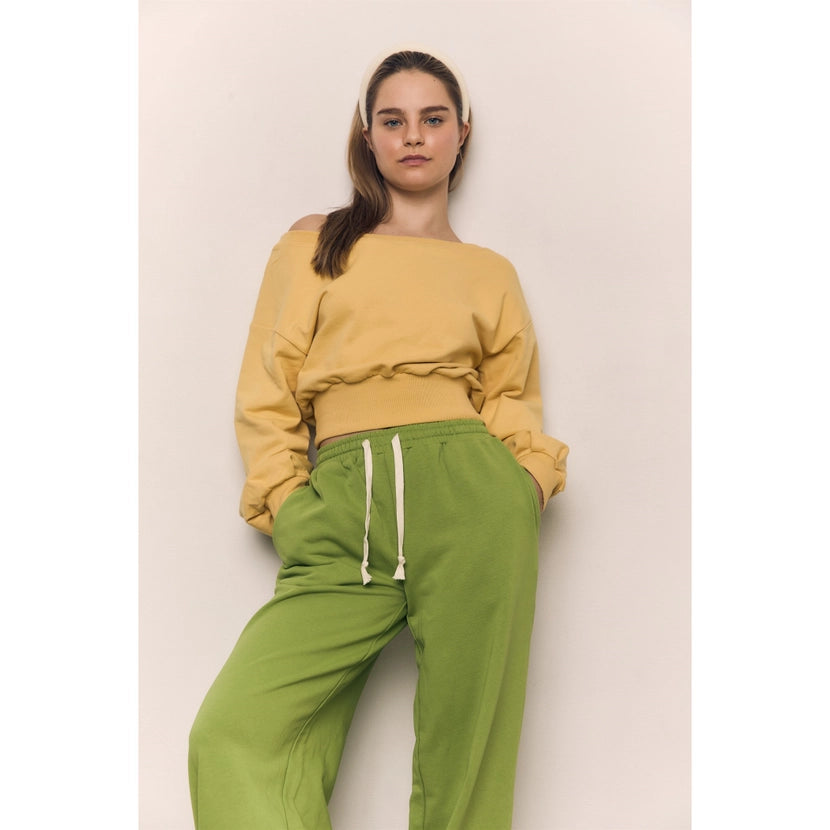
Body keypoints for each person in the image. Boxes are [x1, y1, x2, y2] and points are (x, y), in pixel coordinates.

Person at [188, 45, 569, 830]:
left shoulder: (489, 271)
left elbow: (510, 399)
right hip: (342, 511)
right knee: (235, 735)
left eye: (433, 118)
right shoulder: (317, 242)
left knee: (467, 765)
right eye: (392, 121)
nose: (414, 136)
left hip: (473, 506)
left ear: (462, 133)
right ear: (367, 136)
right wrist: (289, 506)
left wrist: (522, 487)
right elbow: (267, 386)